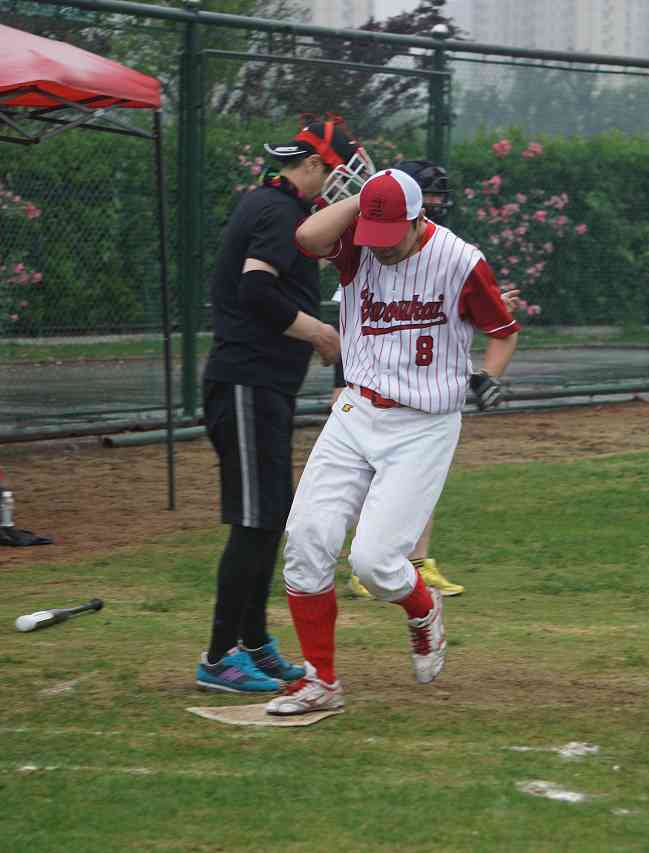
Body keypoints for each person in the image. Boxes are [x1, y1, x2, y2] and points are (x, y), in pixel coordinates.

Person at [267, 168, 520, 715]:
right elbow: (307, 237)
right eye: (371, 232)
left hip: (423, 424)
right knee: (306, 541)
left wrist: (489, 376)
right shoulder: (359, 245)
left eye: (390, 234)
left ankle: (422, 610)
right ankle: (321, 681)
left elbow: (502, 331)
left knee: (376, 563)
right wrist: (366, 200)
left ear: (418, 218)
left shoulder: (459, 259)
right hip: (355, 411)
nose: (378, 247)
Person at [194, 118, 374, 694]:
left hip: (261, 386)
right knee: (255, 522)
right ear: (314, 166)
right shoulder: (279, 211)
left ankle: (252, 643)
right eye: (340, 173)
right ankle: (219, 658)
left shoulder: (277, 206)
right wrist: (319, 333)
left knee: (270, 518)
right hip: (245, 383)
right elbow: (255, 288)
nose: (345, 187)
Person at [336, 160, 518, 600]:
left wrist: (487, 374)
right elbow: (355, 318)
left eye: (439, 194)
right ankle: (368, 565)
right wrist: (341, 383)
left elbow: (494, 327)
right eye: (428, 193)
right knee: (367, 484)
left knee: (416, 485)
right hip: (364, 387)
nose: (436, 201)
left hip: (423, 399)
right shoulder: (368, 251)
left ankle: (414, 562)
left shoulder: (453, 255)